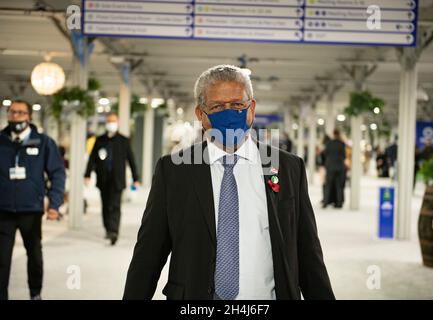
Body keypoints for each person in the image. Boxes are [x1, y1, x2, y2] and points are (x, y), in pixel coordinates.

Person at [123, 65, 334, 300]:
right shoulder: (174, 170)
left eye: (236, 105)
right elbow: (149, 254)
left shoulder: (287, 168)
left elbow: (308, 252)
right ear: (201, 115)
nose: (229, 113)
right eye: (217, 107)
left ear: (251, 109)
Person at [0, 100, 65, 300]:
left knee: (34, 255)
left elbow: (57, 173)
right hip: (3, 210)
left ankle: (35, 293)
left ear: (29, 116)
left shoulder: (43, 142)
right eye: (12, 112)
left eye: (20, 113)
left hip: (31, 209)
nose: (16, 116)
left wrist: (54, 204)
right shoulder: (1, 140)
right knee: (1, 259)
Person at [84, 113, 140, 245]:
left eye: (113, 121)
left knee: (115, 205)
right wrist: (87, 174)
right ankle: (108, 228)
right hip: (103, 179)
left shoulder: (123, 140)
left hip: (117, 179)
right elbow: (92, 159)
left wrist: (135, 178)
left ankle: (114, 231)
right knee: (105, 205)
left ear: (118, 122)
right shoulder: (100, 140)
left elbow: (131, 160)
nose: (111, 123)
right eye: (109, 121)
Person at [323, 129, 346, 209]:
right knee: (339, 186)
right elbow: (344, 155)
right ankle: (339, 203)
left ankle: (325, 202)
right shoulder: (342, 143)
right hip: (340, 167)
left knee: (328, 185)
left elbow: (325, 153)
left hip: (330, 167)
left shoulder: (329, 143)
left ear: (333, 134)